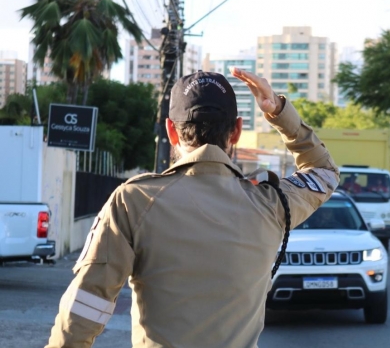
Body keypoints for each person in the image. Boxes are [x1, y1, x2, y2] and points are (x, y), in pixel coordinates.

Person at [45, 68, 339, 348]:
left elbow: (86, 304)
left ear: (171, 131)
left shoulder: (134, 200)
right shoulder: (271, 204)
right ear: (236, 131)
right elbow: (323, 171)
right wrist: (277, 111)